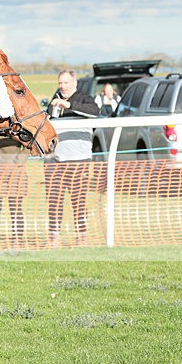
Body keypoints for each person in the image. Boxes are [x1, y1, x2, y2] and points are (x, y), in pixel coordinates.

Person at [44, 70, 100, 248]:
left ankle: (81, 236)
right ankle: (53, 237)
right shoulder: (54, 101)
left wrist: (68, 105)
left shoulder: (84, 99)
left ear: (74, 83)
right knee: (54, 201)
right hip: (54, 162)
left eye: (66, 83)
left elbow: (95, 112)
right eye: (60, 83)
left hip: (78, 161)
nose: (62, 86)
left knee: (79, 201)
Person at [0, 134, 28, 249]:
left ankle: (17, 240)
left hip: (15, 172)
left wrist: (20, 160)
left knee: (15, 207)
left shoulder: (18, 126)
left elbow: (28, 145)